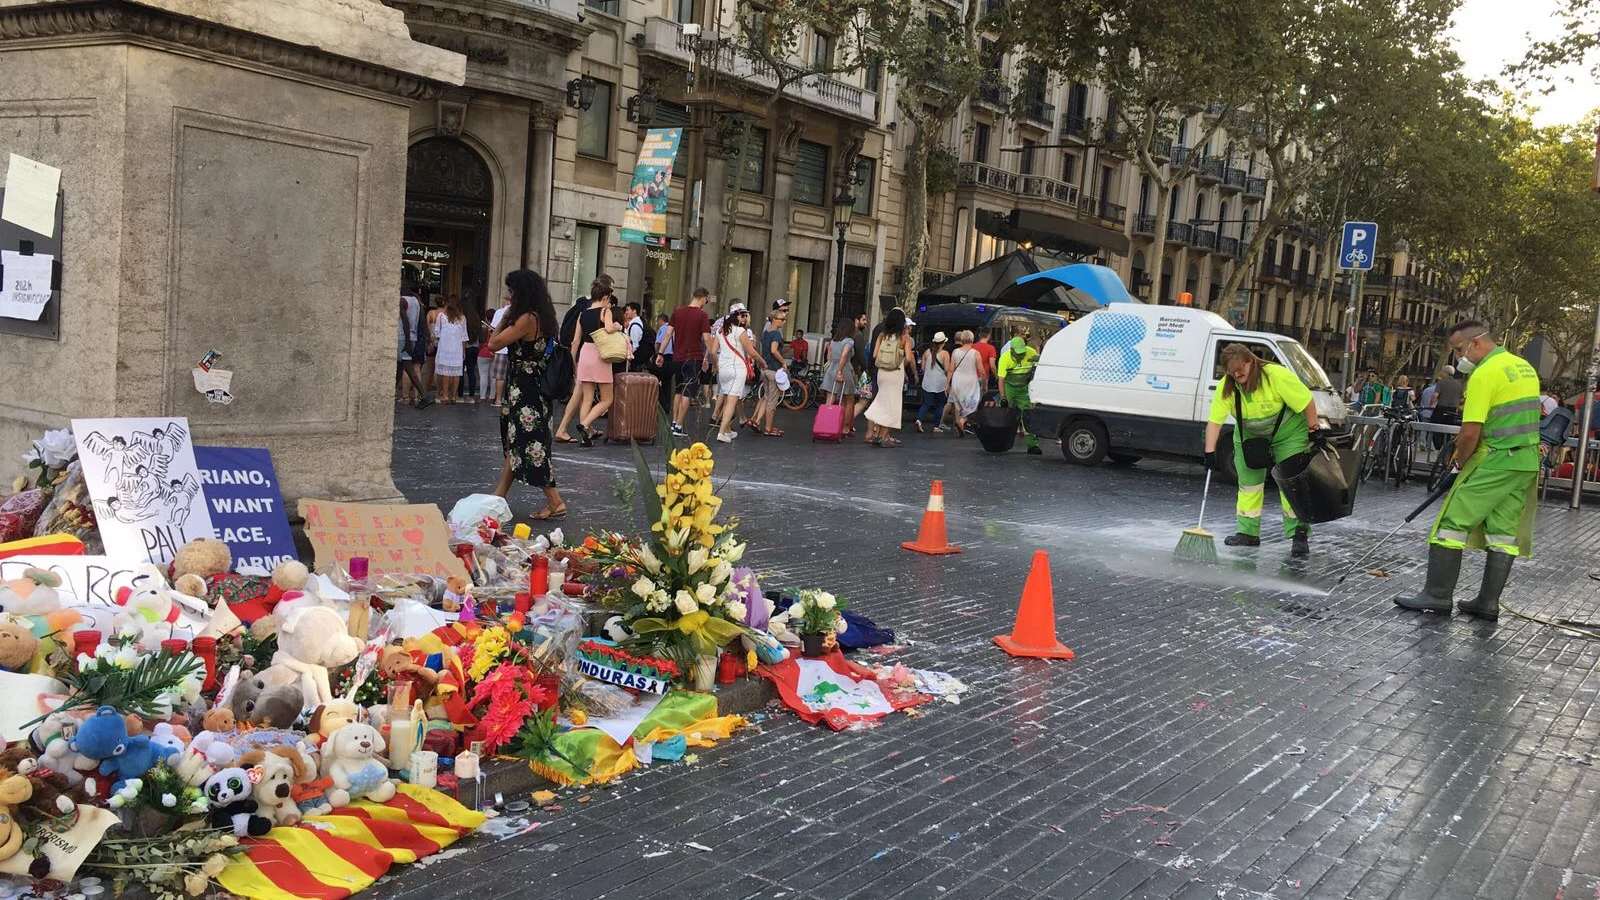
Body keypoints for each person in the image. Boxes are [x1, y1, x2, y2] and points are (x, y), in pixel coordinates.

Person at [1397, 321, 1541, 620]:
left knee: (1451, 524)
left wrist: (1460, 463)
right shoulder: (1523, 366)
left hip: (1495, 460)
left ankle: (1437, 596)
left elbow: (1470, 431)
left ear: (1475, 343)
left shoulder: (1484, 373)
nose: (1458, 357)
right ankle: (1487, 603)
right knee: (1503, 533)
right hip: (1524, 461)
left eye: (1459, 349)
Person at [1202, 343, 1319, 557]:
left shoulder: (1275, 376)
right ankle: (1248, 533)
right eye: (1231, 372)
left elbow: (1306, 402)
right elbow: (1215, 421)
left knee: (1291, 484)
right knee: (1249, 485)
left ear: (1251, 362)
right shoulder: (1227, 386)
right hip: (1250, 436)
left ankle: (1299, 534)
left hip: (1288, 433)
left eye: (1241, 370)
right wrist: (1210, 452)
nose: (1237, 375)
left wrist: (1314, 429)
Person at [489, 269, 566, 520]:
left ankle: (555, 501)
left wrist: (505, 317)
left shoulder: (526, 319)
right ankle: (498, 496)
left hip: (525, 390)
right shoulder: (543, 316)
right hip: (531, 387)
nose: (509, 296)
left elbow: (494, 344)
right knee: (518, 443)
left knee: (530, 445)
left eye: (512, 291)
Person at [567, 281, 621, 447]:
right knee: (607, 399)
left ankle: (586, 436)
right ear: (605, 297)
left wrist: (572, 361)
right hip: (600, 354)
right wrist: (618, 326)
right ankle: (585, 425)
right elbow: (609, 328)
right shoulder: (605, 311)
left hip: (585, 354)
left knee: (587, 398)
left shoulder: (582, 314)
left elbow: (576, 341)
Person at [660, 287, 714, 437]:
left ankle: (674, 422)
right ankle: (679, 425)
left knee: (678, 390)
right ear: (703, 298)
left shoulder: (677, 312)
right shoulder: (702, 315)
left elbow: (668, 334)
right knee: (688, 392)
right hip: (693, 357)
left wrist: (660, 353)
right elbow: (707, 338)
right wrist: (710, 357)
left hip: (678, 358)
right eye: (706, 300)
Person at [864, 308, 915, 447]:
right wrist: (901, 362)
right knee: (892, 405)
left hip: (882, 373)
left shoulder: (882, 335)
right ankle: (883, 436)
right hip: (895, 373)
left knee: (882, 402)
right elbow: (909, 358)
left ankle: (878, 434)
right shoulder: (905, 338)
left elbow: (875, 355)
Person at [714, 304, 761, 443]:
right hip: (736, 369)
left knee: (728, 398)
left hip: (723, 369)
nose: (745, 318)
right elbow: (752, 351)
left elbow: (713, 350)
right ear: (736, 316)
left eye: (746, 315)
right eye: (742, 315)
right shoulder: (741, 331)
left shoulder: (720, 331)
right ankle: (722, 432)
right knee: (731, 401)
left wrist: (717, 364)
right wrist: (762, 362)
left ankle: (727, 430)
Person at [996, 334, 1042, 454]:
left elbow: (1041, 365)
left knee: (1027, 416)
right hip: (1009, 387)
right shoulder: (1005, 358)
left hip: (1023, 389)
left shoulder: (1031, 352)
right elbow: (1001, 380)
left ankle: (1033, 445)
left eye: (1022, 352)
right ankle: (1000, 442)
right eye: (1018, 353)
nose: (1021, 355)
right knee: (1004, 415)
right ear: (1012, 350)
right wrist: (1003, 397)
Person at [747, 303, 788, 436]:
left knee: (766, 396)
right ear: (775, 319)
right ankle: (768, 428)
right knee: (772, 401)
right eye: (782, 319)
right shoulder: (776, 334)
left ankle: (757, 421)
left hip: (765, 368)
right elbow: (774, 350)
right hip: (774, 369)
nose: (784, 321)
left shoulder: (765, 333)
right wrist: (783, 362)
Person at [944, 330, 987, 437]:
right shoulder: (975, 353)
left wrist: (947, 384)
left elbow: (950, 369)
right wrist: (984, 384)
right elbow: (981, 371)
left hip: (957, 379)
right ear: (972, 339)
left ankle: (959, 425)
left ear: (962, 340)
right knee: (973, 404)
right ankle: (963, 421)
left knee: (958, 404)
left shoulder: (955, 352)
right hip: (970, 380)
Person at [823, 316, 860, 436]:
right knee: (849, 399)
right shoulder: (849, 341)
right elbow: (844, 356)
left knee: (830, 399)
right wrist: (840, 371)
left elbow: (829, 356)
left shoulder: (834, 341)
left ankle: (826, 424)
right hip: (844, 369)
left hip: (831, 369)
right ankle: (845, 427)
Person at [397, 288, 433, 408]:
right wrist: (428, 338)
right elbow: (422, 321)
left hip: (403, 337)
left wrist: (407, 340)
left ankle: (424, 395)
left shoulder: (402, 300)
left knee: (408, 368)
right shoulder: (417, 302)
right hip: (412, 337)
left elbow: (405, 321)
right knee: (400, 367)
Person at [433, 295, 469, 404]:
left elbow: (437, 332)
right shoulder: (462, 318)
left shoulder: (441, 316)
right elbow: (464, 336)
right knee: (456, 373)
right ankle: (453, 396)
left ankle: (444, 395)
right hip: (457, 348)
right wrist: (463, 350)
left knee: (445, 372)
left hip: (444, 346)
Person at [916, 332, 951, 433]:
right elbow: (947, 369)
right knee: (939, 404)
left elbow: (922, 368)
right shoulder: (945, 354)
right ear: (943, 343)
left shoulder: (927, 352)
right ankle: (936, 426)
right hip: (940, 382)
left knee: (926, 404)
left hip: (927, 382)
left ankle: (919, 419)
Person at [488, 292, 513, 406]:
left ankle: (498, 399)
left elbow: (493, 329)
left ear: (506, 300)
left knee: (500, 376)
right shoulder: (519, 312)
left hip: (501, 348)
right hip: (513, 348)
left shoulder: (499, 312)